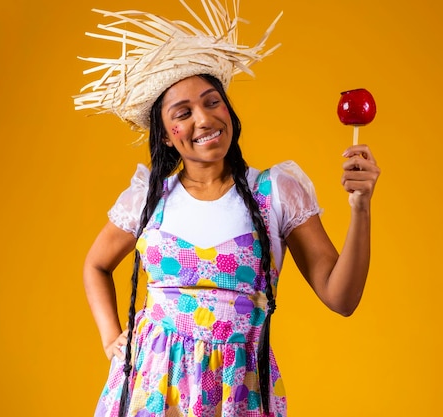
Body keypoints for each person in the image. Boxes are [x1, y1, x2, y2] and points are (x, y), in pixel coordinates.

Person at [74, 2, 380, 417]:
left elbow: (341, 298)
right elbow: (96, 264)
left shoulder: (276, 193)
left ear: (228, 110)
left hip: (237, 393)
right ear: (166, 136)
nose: (204, 118)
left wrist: (360, 208)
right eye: (183, 113)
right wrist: (113, 340)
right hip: (150, 390)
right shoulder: (149, 198)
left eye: (212, 102)